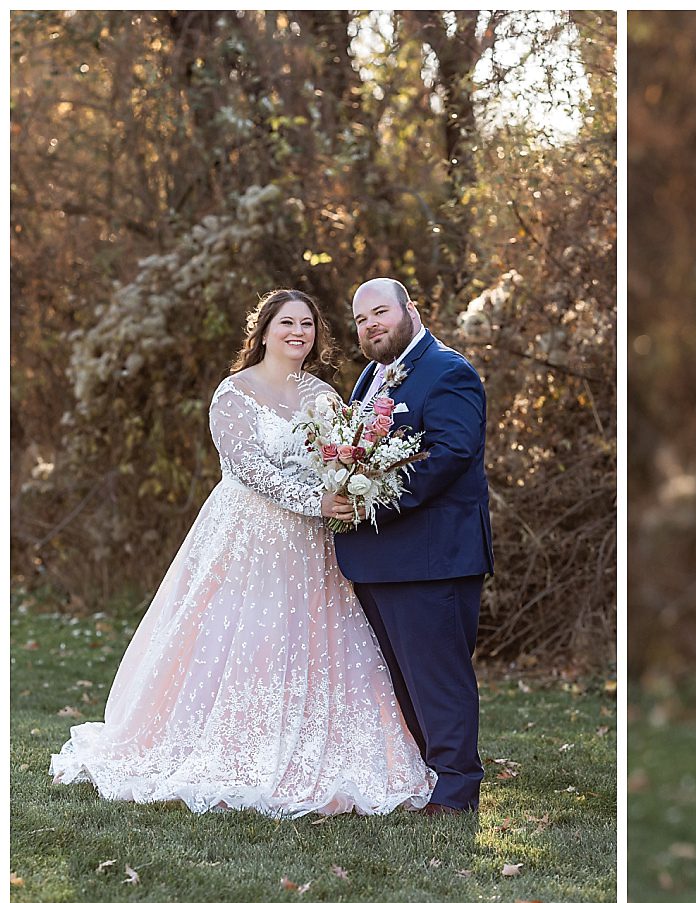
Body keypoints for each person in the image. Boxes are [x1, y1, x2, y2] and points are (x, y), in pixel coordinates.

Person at [51, 290, 435, 817]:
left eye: (307, 324)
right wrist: (317, 502)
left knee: (316, 637)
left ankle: (322, 749)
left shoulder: (324, 394)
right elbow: (250, 470)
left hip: (312, 545)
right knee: (244, 634)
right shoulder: (233, 394)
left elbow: (341, 456)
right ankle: (232, 746)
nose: (298, 332)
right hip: (248, 537)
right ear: (264, 331)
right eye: (286, 323)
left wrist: (349, 489)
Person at [330, 278, 494, 815]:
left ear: (411, 311)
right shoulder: (370, 380)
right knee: (403, 680)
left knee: (438, 679)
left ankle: (455, 791)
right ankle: (427, 777)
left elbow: (450, 455)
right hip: (380, 560)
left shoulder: (449, 372)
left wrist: (374, 499)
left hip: (432, 559)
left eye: (380, 312)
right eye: (360, 320)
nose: (371, 325)